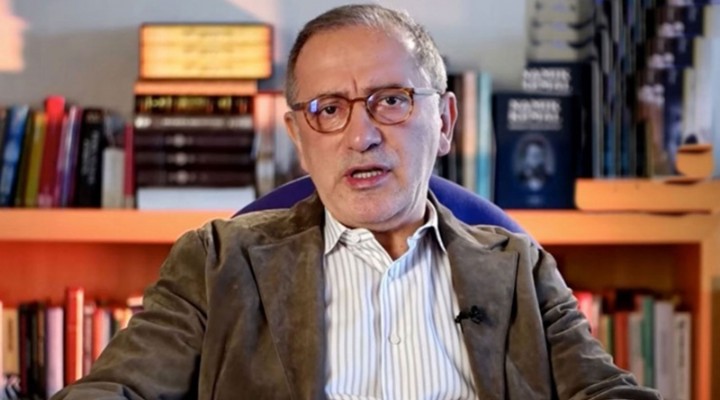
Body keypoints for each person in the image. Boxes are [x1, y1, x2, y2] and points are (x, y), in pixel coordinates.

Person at [54, 4, 661, 399]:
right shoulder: (215, 263)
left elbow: (603, 391)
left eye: (391, 100)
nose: (360, 136)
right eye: (328, 110)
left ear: (444, 122)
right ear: (299, 138)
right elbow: (117, 390)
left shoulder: (519, 270)